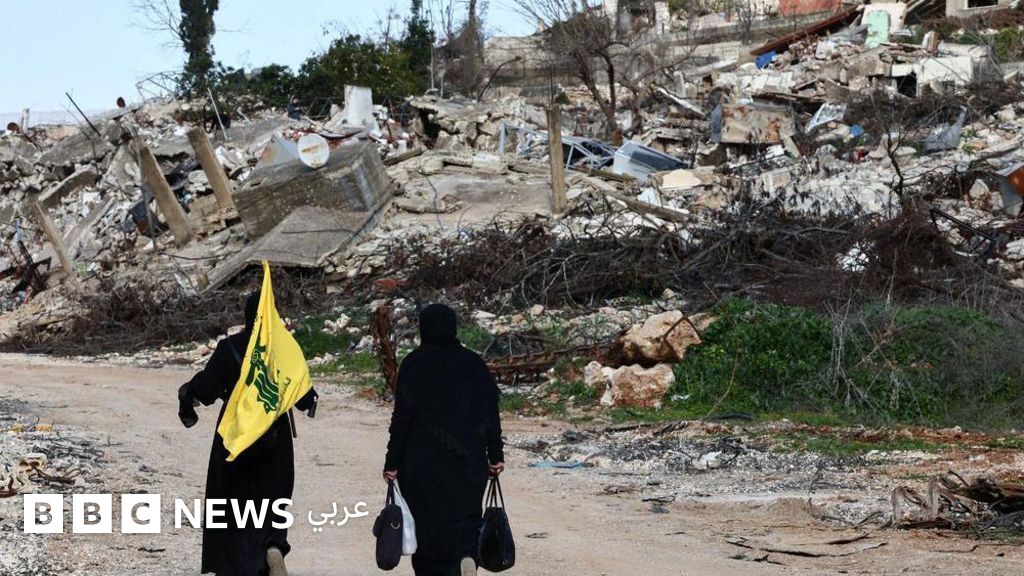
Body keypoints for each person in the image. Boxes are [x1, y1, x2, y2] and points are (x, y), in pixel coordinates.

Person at [178, 293, 318, 576]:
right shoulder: (282, 348)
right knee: (272, 499)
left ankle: (236, 564)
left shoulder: (228, 347)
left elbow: (206, 389)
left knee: (232, 503)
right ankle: (272, 544)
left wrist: (188, 394)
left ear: (247, 316)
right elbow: (304, 395)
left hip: (236, 436)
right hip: (274, 437)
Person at [383, 303, 505, 576]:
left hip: (422, 466)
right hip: (469, 462)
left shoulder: (413, 365)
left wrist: (392, 463)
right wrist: (496, 455)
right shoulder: (474, 363)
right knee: (466, 521)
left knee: (428, 529)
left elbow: (401, 421)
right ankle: (466, 557)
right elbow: (490, 413)